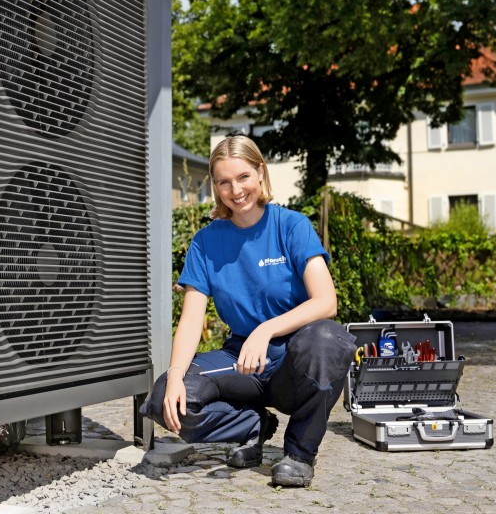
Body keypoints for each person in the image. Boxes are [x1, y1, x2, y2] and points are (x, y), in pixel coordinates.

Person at [140, 135, 356, 487]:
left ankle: (299, 454)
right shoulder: (206, 241)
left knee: (329, 338)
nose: (235, 190)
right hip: (242, 363)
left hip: (294, 361)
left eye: (242, 177)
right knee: (167, 395)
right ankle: (254, 424)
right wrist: (177, 373)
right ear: (215, 186)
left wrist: (266, 329)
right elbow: (192, 318)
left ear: (260, 173)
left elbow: (326, 301)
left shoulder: (291, 226)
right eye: (223, 182)